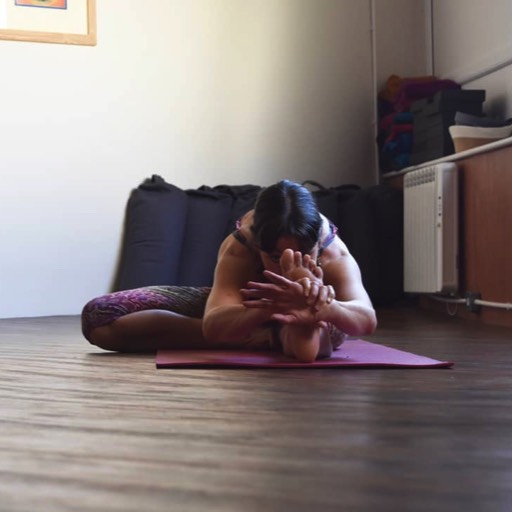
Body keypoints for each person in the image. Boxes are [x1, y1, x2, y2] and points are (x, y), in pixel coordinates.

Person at [81, 180, 377, 362]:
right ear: (256, 243)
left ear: (317, 244)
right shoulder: (240, 245)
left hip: (321, 311)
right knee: (100, 318)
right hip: (247, 307)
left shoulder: (332, 249)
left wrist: (324, 306)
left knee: (313, 339)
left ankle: (288, 329)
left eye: (302, 254)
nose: (287, 263)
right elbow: (213, 325)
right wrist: (268, 308)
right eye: (274, 257)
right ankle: (267, 338)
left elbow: (366, 320)